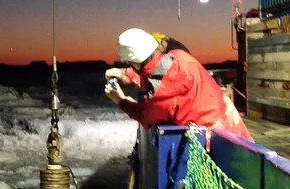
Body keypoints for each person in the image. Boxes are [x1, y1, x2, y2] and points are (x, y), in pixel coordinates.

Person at [104, 27, 253, 141]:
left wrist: (120, 100)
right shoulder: (179, 55)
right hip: (230, 119)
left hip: (215, 138)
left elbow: (145, 115)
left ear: (133, 62)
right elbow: (156, 69)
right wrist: (124, 73)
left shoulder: (161, 94)